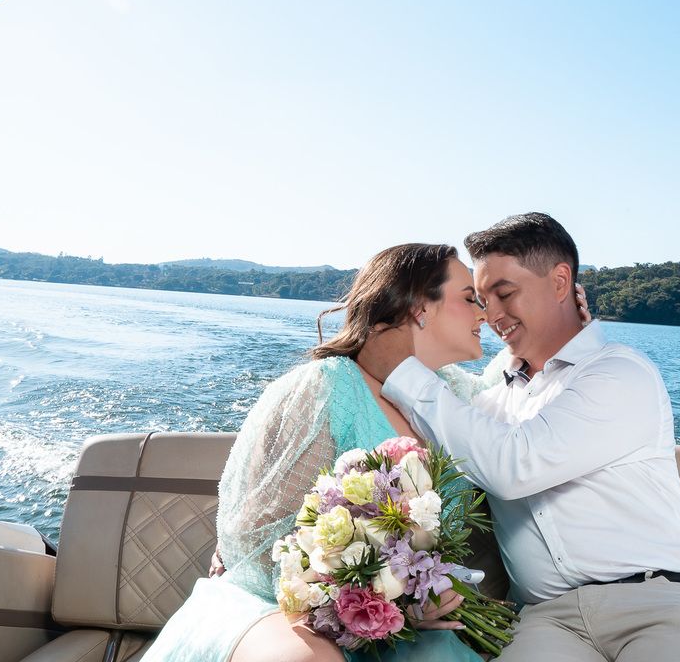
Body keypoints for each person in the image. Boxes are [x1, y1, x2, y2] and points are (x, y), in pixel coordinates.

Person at [358, 213, 680, 662]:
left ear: (561, 281)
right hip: (546, 619)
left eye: (505, 294)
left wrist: (400, 371)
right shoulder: (491, 403)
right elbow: (473, 424)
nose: (491, 317)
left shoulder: (619, 372)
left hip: (660, 602)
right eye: (482, 301)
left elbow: (515, 464)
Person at [140, 243, 502, 662]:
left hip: (403, 626)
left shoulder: (456, 395)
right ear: (420, 306)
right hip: (279, 609)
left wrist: (567, 321)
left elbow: (522, 382)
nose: (484, 314)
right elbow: (257, 546)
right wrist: (373, 598)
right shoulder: (325, 386)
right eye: (469, 298)